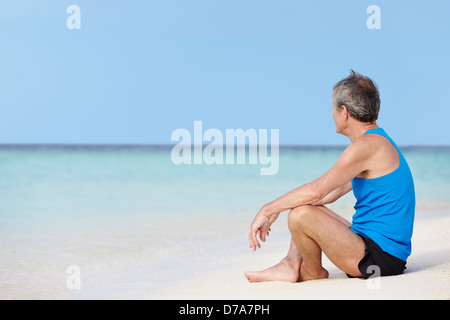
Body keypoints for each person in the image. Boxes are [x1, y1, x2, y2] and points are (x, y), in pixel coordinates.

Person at [244, 70, 415, 282]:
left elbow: (317, 191)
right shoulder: (378, 142)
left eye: (333, 109)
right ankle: (291, 264)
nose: (331, 114)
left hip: (379, 259)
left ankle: (312, 272)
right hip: (376, 249)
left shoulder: (367, 146)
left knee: (300, 215)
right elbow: (327, 195)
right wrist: (280, 207)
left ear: (344, 112)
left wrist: (267, 209)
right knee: (305, 207)